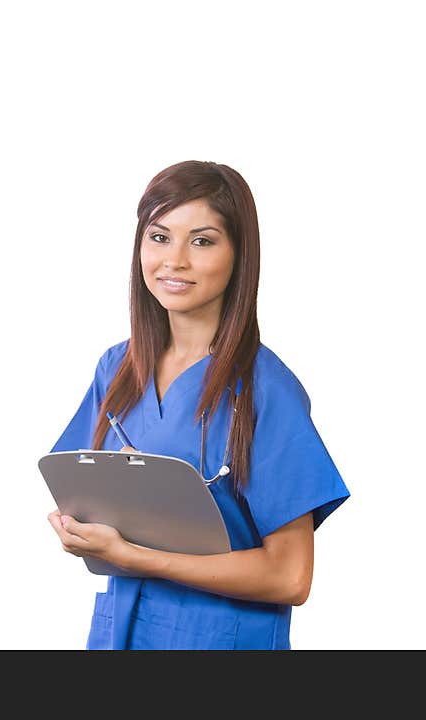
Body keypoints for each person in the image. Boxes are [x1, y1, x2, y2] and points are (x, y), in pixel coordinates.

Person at [47, 161, 348, 650]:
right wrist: (75, 531)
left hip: (220, 640)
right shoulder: (117, 369)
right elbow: (78, 495)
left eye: (202, 241)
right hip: (120, 632)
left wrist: (137, 556)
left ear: (239, 255)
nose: (175, 260)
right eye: (159, 237)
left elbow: (291, 576)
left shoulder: (264, 390)